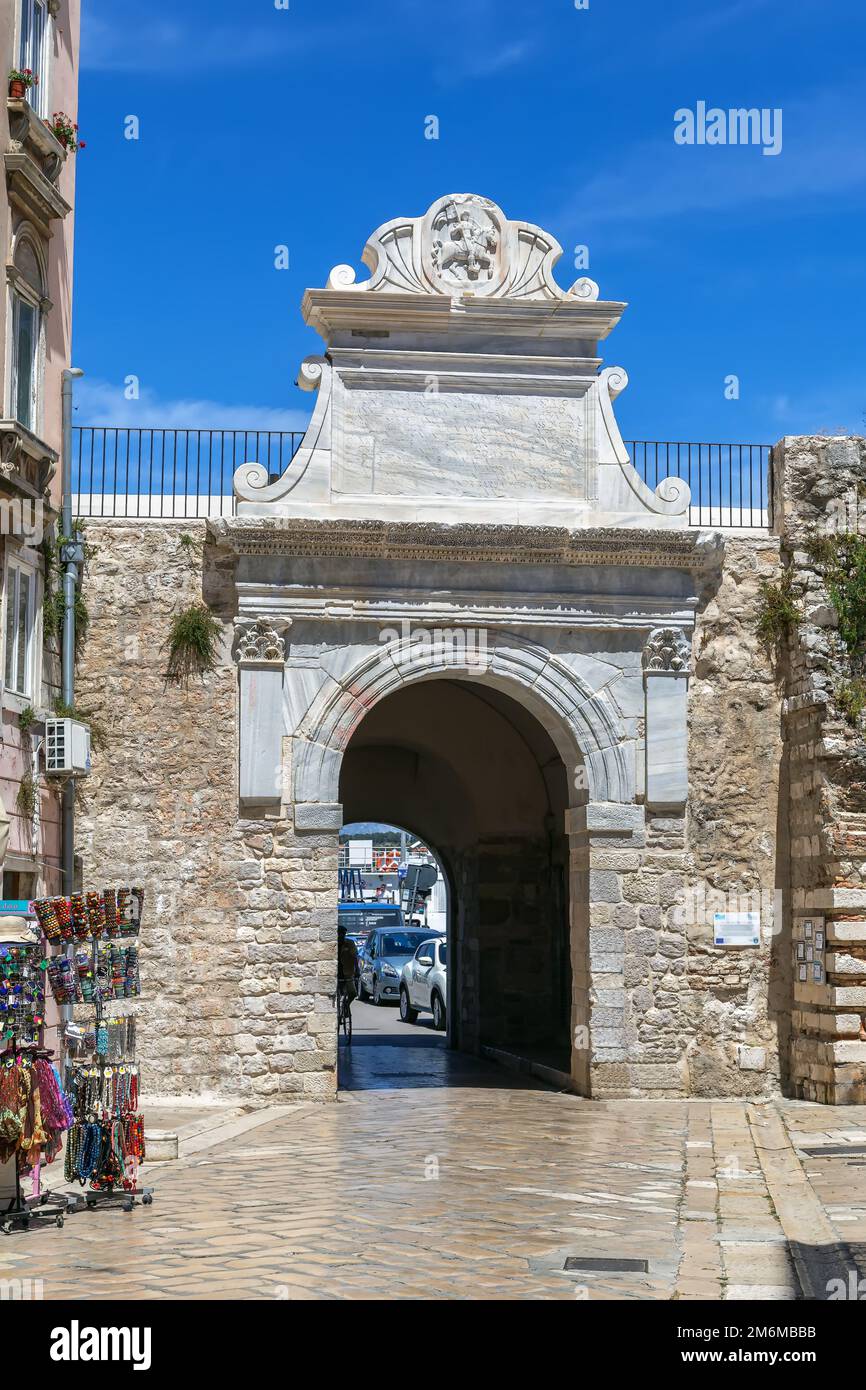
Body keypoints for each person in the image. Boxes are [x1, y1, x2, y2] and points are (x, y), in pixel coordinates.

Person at [337, 925, 358, 1005]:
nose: (341, 936)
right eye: (339, 934)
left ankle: (346, 1005)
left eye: (343, 934)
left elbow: (354, 957)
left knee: (353, 993)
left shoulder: (350, 943)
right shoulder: (331, 944)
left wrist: (357, 971)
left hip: (347, 972)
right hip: (335, 973)